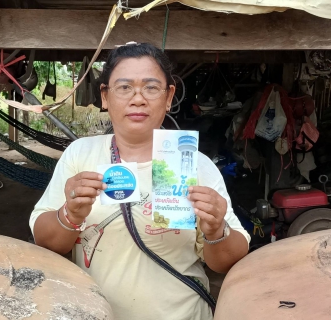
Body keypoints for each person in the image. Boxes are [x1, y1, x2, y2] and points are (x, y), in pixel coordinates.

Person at [30, 43, 250, 320]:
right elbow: (46, 242)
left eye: (150, 87)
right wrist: (69, 214)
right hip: (97, 314)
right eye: (124, 87)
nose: (138, 99)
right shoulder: (81, 155)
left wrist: (216, 230)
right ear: (105, 96)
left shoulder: (193, 165)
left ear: (169, 96)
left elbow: (227, 262)